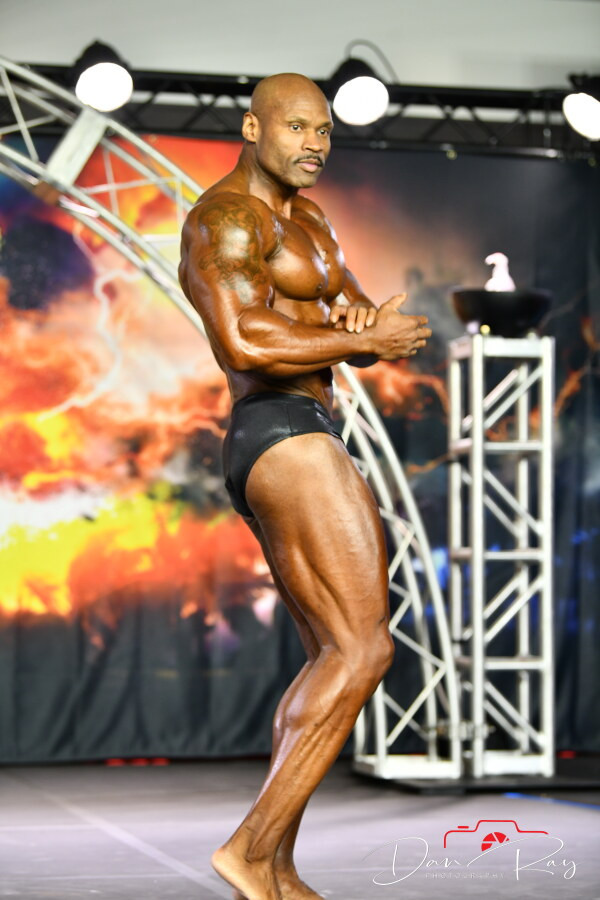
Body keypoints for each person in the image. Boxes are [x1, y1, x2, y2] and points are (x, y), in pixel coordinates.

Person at [178, 72, 431, 900]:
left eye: (323, 131)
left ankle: (277, 869)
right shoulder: (225, 219)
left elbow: (352, 315)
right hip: (279, 429)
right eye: (296, 127)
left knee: (332, 653)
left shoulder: (312, 223)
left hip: (306, 427)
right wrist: (356, 337)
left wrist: (366, 326)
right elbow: (244, 340)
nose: (315, 144)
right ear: (252, 128)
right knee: (365, 647)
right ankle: (250, 851)